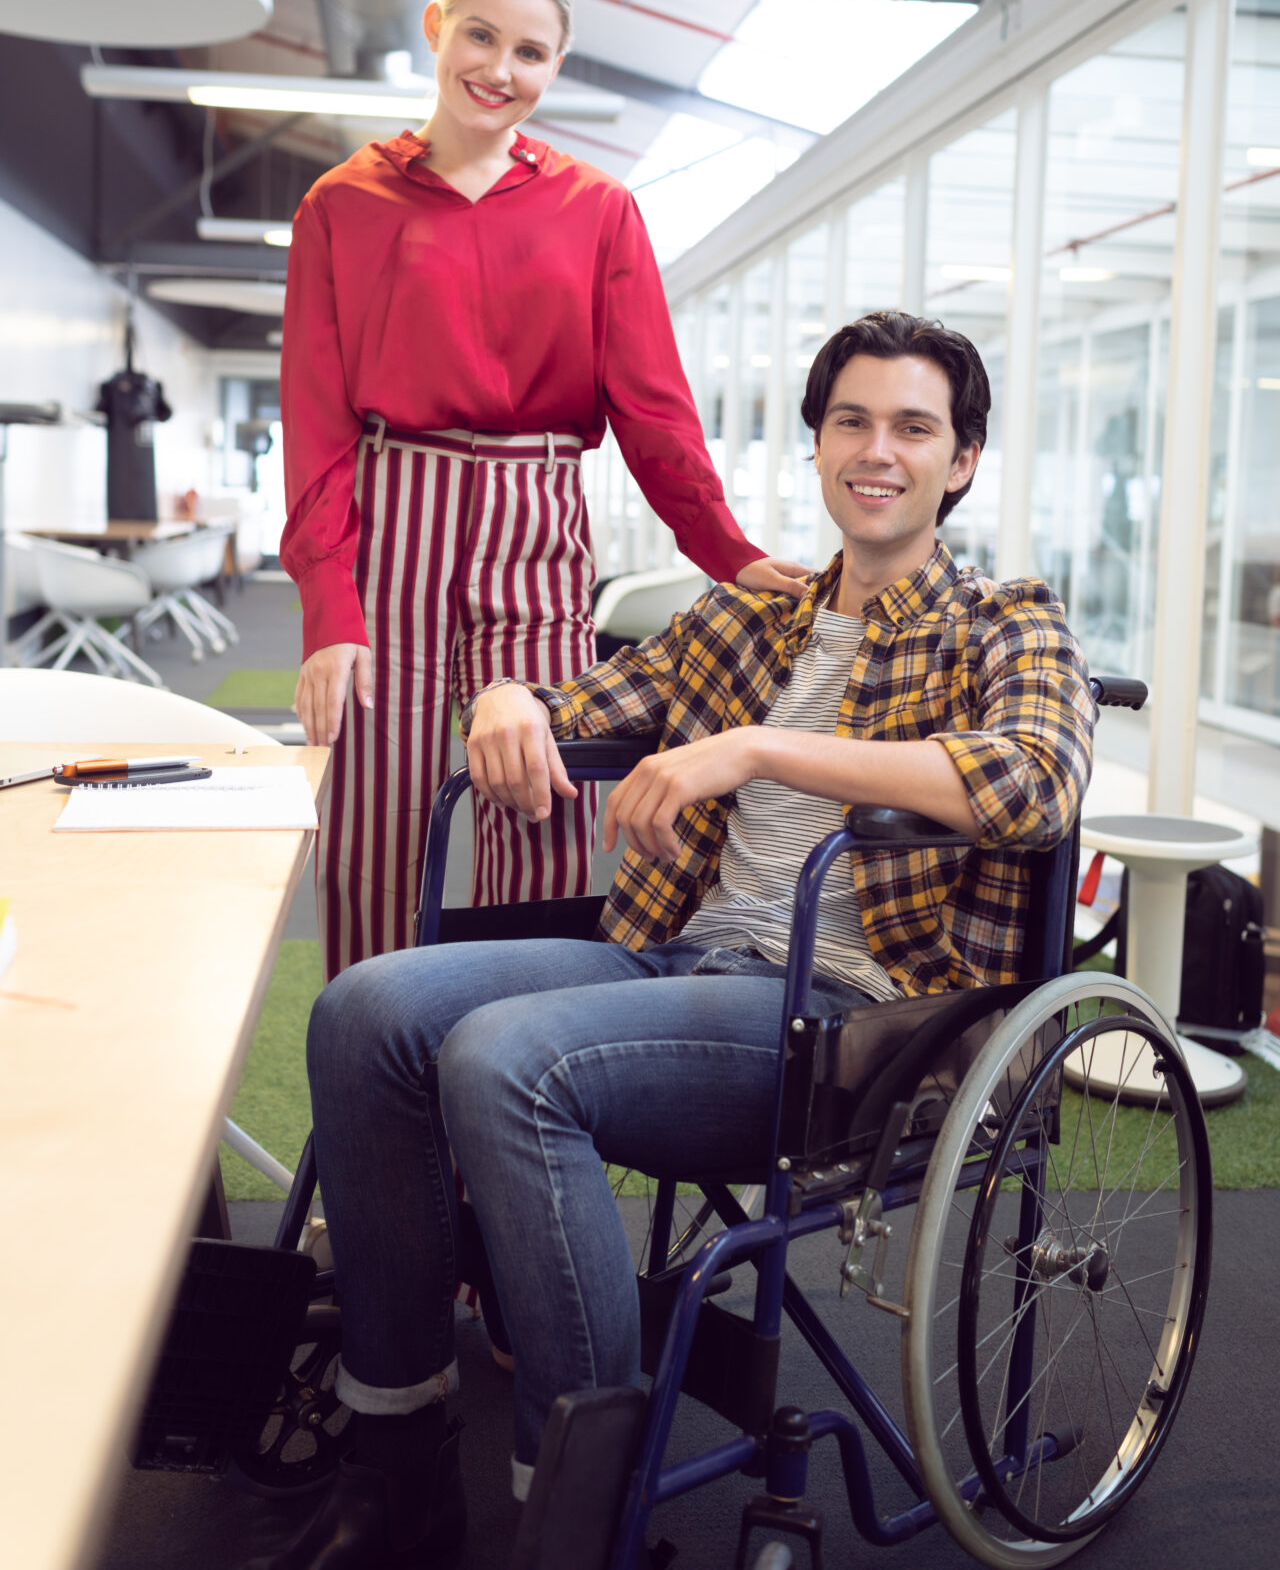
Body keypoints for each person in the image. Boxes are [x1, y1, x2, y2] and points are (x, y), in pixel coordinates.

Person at [253, 312, 1095, 1570]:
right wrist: (502, 697)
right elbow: (570, 708)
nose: (877, 450)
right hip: (674, 967)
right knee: (364, 1009)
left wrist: (753, 748)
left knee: (504, 1058)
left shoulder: (1005, 620)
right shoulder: (745, 623)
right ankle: (397, 1462)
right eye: (849, 422)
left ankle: (581, 1511)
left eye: (912, 428)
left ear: (959, 461)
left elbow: (1032, 783)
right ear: (815, 447)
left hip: (846, 1017)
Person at [279, 0, 806, 978]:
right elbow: (316, 425)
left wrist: (725, 550)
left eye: (530, 53)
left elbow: (652, 409)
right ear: (437, 29)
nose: (499, 71)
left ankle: (499, 1071)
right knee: (374, 827)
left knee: (540, 808)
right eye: (480, 36)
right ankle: (369, 1075)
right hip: (394, 516)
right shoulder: (341, 203)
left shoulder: (599, 211)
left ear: (555, 66)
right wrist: (329, 611)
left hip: (534, 516)